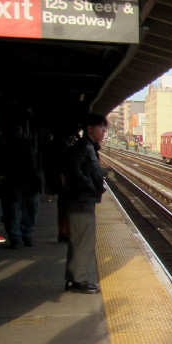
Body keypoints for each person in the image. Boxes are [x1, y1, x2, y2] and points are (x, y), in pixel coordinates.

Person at [64, 114, 107, 294]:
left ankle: (74, 278)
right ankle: (78, 280)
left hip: (83, 198)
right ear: (90, 129)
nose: (104, 132)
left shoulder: (89, 146)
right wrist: (90, 187)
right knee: (83, 239)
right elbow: (73, 170)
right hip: (81, 199)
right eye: (101, 128)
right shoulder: (84, 147)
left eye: (105, 129)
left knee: (81, 238)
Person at [0, 124, 41, 248]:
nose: (18, 132)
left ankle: (18, 236)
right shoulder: (22, 143)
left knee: (13, 211)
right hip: (18, 182)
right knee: (27, 209)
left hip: (25, 182)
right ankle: (21, 235)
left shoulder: (12, 143)